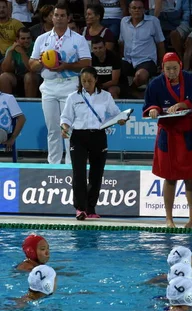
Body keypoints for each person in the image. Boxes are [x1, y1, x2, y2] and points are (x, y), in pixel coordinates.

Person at [143, 53, 192, 228]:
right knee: (169, 178)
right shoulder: (155, 84)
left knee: (189, 177)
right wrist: (153, 109)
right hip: (167, 134)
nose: (171, 72)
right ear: (163, 68)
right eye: (168, 69)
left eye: (174, 68)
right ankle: (169, 218)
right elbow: (148, 104)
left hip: (187, 133)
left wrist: (183, 104)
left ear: (180, 66)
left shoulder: (191, 80)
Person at [60, 67, 126, 220]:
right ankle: (80, 209)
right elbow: (66, 118)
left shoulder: (105, 96)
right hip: (78, 136)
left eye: (90, 81)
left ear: (96, 80)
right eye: (83, 81)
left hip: (98, 136)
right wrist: (64, 128)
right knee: (79, 174)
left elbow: (116, 114)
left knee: (96, 174)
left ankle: (91, 209)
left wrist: (122, 119)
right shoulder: (73, 97)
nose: (86, 84)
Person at [29, 3, 91, 165]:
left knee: (68, 128)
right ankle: (53, 165)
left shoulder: (78, 39)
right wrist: (41, 62)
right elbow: (32, 64)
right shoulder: (42, 39)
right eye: (56, 15)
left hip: (69, 85)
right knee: (53, 129)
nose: (59, 18)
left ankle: (72, 165)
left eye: (62, 15)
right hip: (48, 86)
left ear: (68, 17)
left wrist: (66, 66)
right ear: (52, 17)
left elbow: (86, 63)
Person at [119, 0, 166, 98]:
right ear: (129, 10)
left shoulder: (153, 21)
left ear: (144, 10)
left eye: (140, 8)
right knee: (114, 70)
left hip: (146, 60)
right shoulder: (124, 22)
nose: (137, 10)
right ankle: (133, 93)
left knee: (141, 76)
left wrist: (162, 65)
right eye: (134, 8)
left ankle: (129, 91)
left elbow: (160, 44)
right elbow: (121, 42)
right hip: (128, 60)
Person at [0, 27, 38, 97]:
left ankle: (30, 104)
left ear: (31, 38)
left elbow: (31, 69)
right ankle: (7, 105)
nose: (26, 41)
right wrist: (10, 52)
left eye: (28, 38)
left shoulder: (36, 47)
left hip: (35, 77)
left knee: (29, 76)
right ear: (17, 40)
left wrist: (22, 53)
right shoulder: (12, 48)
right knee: (3, 77)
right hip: (17, 77)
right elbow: (5, 69)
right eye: (23, 38)